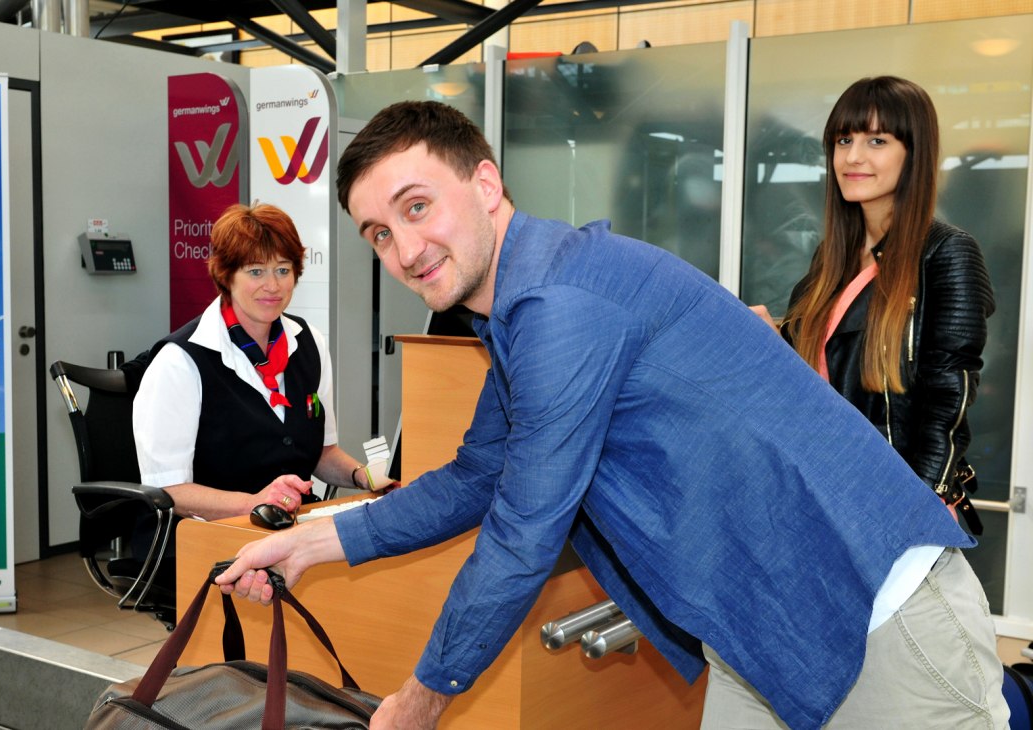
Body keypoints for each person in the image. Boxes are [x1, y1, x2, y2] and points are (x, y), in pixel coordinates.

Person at [215, 102, 1007, 729]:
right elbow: (475, 477)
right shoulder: (525, 307)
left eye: (418, 207)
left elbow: (522, 533)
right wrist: (308, 542)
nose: (405, 248)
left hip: (877, 612)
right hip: (766, 620)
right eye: (380, 234)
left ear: (485, 185)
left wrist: (420, 700)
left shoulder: (561, 304)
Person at [752, 76, 996, 533]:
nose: (853, 157)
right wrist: (775, 339)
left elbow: (948, 399)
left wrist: (914, 508)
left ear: (913, 153)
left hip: (896, 509)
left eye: (877, 141)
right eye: (844, 140)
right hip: (826, 496)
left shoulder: (945, 252)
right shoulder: (833, 258)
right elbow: (821, 376)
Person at [133, 202, 388, 523]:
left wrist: (365, 476)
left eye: (283, 270)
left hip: (290, 524)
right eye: (256, 271)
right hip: (209, 533)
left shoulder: (309, 343)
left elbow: (322, 453)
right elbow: (169, 489)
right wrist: (252, 503)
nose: (273, 286)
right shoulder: (180, 361)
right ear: (226, 275)